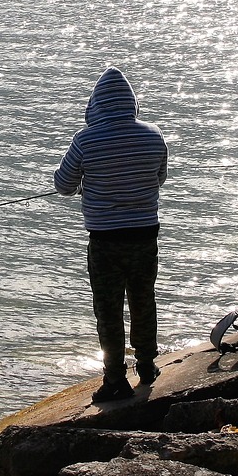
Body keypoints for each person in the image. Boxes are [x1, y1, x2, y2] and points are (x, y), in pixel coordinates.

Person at [54, 67, 168, 403]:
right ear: (131, 103)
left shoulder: (85, 140)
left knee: (109, 310)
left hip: (105, 240)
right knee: (143, 300)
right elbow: (159, 178)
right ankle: (147, 365)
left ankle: (115, 379)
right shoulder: (154, 135)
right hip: (145, 236)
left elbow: (63, 185)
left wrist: (89, 184)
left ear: (95, 105)